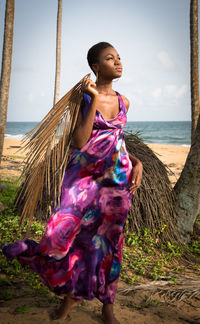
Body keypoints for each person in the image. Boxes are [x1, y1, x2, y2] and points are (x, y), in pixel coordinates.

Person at [2, 41, 143, 324]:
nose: (118, 62)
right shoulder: (83, 99)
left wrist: (137, 163)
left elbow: (117, 141)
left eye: (118, 57)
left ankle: (107, 308)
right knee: (64, 239)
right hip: (82, 183)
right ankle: (46, 272)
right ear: (95, 66)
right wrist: (91, 99)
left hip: (115, 185)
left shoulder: (125, 101)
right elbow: (79, 142)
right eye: (109, 58)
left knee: (109, 245)